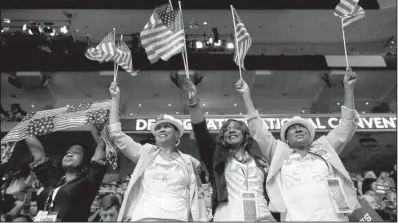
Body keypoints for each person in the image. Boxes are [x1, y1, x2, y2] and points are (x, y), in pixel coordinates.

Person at [238, 68, 359, 221]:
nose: (298, 129)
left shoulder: (325, 147)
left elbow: (347, 126)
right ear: (286, 140)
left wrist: (348, 88)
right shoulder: (278, 153)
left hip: (333, 218)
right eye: (293, 128)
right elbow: (258, 129)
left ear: (311, 137)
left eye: (302, 128)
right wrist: (245, 94)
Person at [107, 81, 206, 221]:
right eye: (158, 128)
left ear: (177, 134)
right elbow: (116, 135)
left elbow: (198, 196)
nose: (162, 129)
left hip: (178, 218)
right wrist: (115, 99)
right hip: (146, 217)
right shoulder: (145, 153)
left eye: (166, 126)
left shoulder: (190, 162)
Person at [183, 79, 276, 221]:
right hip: (229, 216)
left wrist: (246, 94)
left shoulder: (260, 161)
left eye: (236, 128)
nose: (231, 131)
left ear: (245, 135)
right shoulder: (216, 158)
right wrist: (193, 100)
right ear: (222, 137)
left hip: (263, 216)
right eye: (226, 130)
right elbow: (200, 131)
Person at [24, 125, 107, 222]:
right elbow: (38, 154)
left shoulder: (88, 181)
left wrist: (106, 129)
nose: (69, 155)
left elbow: (101, 148)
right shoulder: (53, 179)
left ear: (85, 163)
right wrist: (27, 128)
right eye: (67, 153)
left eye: (77, 153)